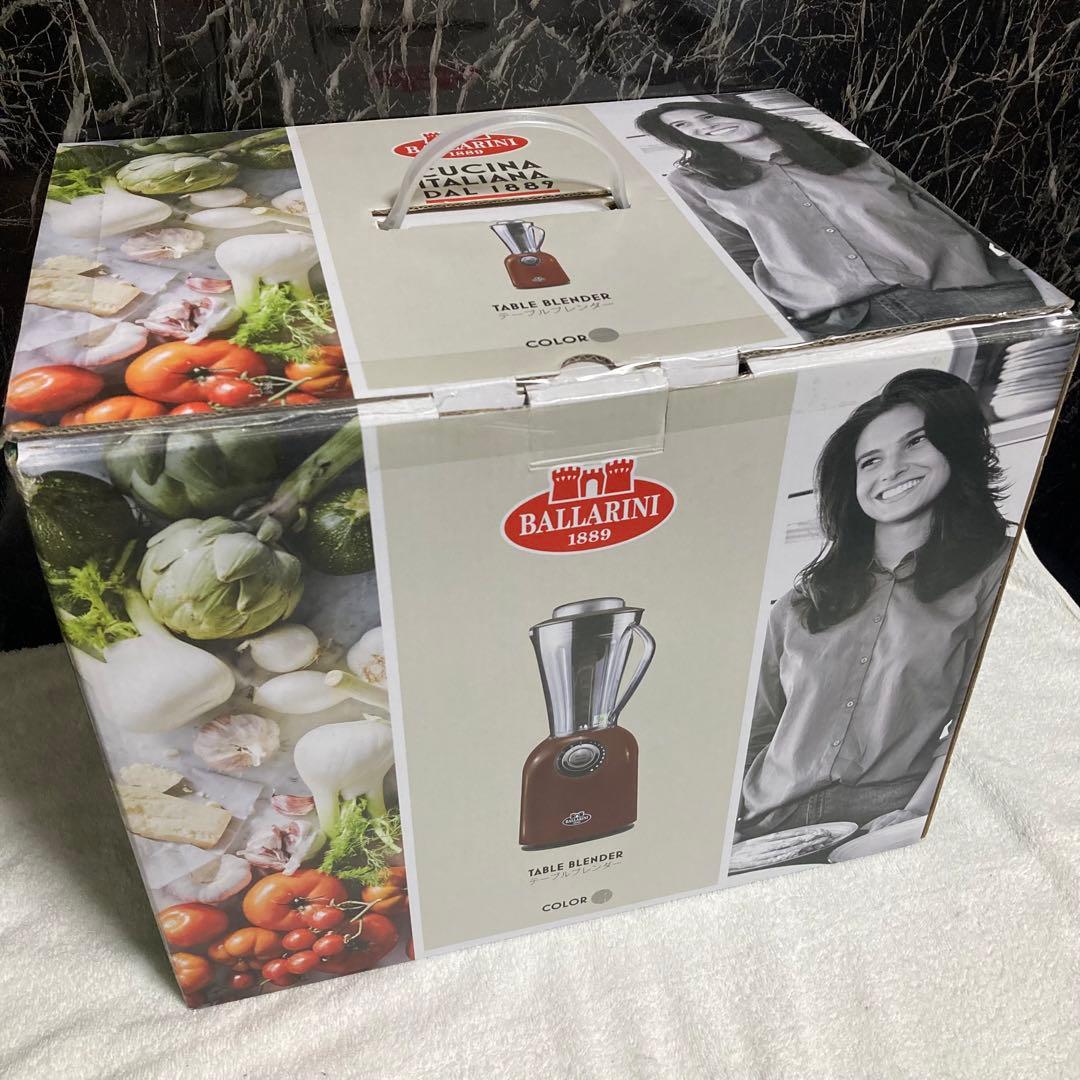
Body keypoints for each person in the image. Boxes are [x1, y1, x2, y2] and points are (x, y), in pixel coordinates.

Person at [736, 369, 1012, 840]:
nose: (891, 470)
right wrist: (729, 828)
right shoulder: (800, 601)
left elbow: (980, 726)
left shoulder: (997, 572)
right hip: (766, 820)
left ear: (953, 446)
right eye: (870, 461)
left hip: (887, 817)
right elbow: (755, 730)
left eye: (915, 442)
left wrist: (915, 816)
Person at [634, 100, 1047, 339]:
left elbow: (949, 205)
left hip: (969, 290)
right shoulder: (696, 182)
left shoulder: (854, 148)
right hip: (837, 322)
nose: (705, 128)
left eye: (706, 116)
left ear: (729, 110)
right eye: (686, 128)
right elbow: (733, 256)